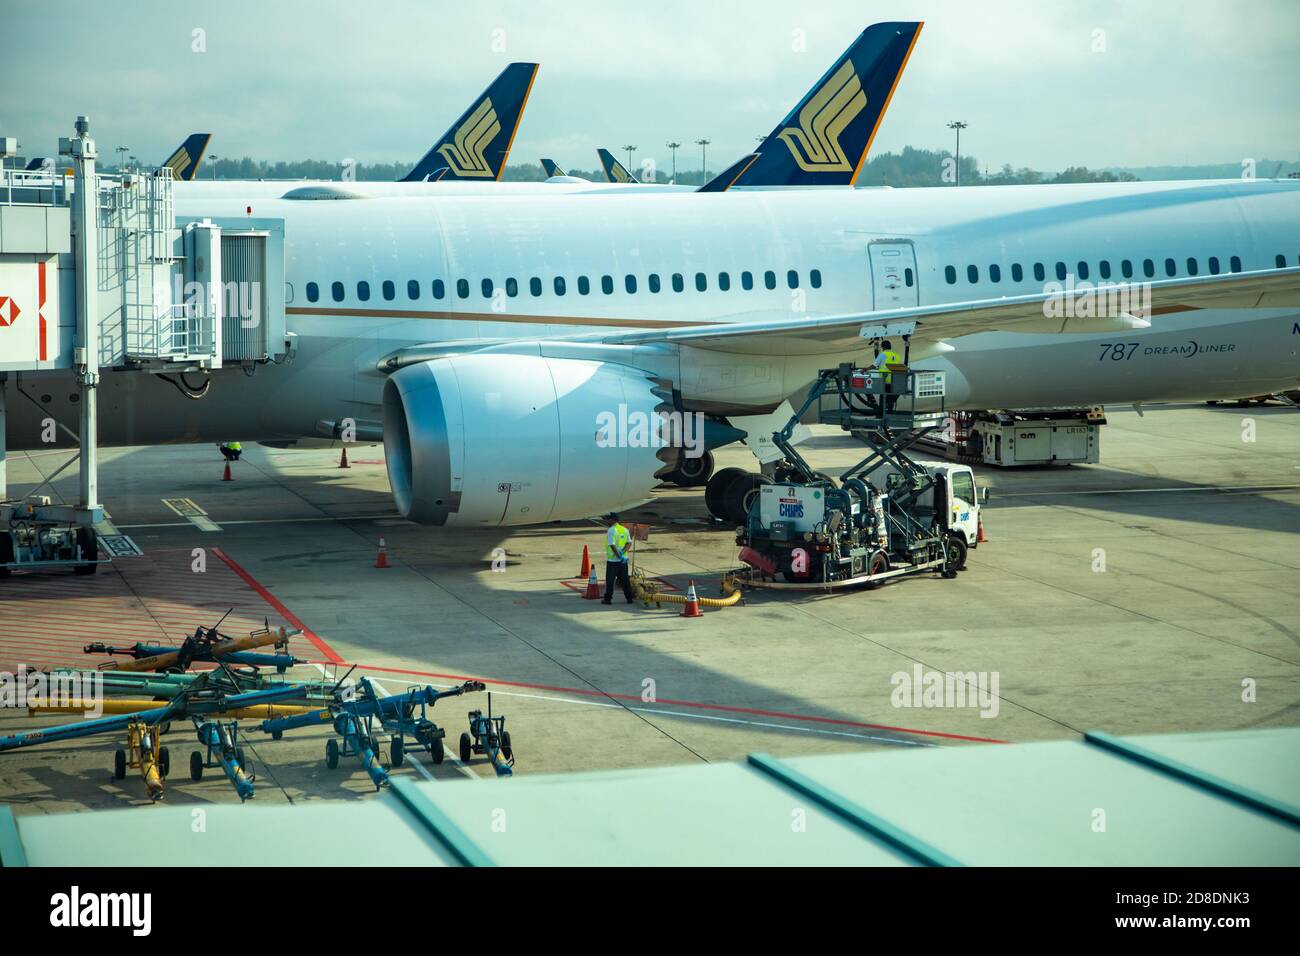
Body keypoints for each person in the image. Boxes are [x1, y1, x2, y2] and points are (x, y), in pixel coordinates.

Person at [601, 512, 635, 605]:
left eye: (608, 519)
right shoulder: (624, 529)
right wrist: (623, 553)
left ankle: (607, 599)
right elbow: (629, 543)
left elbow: (612, 545)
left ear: (613, 520)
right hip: (623, 561)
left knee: (610, 581)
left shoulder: (611, 530)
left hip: (613, 561)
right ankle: (629, 598)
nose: (607, 521)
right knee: (625, 581)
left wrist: (618, 555)